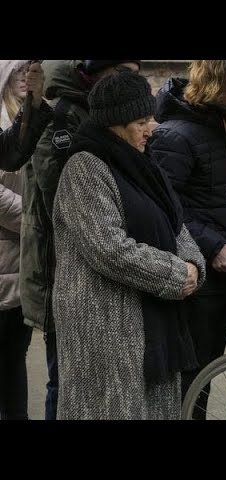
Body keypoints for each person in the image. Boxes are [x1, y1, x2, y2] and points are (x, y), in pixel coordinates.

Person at [52, 71, 206, 420]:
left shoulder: (143, 165)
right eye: (141, 121)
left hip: (151, 324)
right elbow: (109, 248)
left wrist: (193, 265)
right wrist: (174, 273)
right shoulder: (85, 168)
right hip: (106, 329)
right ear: (114, 125)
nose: (151, 129)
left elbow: (174, 224)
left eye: (151, 118)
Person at [21, 59, 141, 420]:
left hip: (95, 266)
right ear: (94, 70)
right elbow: (64, 200)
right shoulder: (61, 116)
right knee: (65, 381)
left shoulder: (97, 111)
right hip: (63, 273)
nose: (128, 83)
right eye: (122, 73)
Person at [149, 60, 226, 418]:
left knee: (210, 365)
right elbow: (167, 207)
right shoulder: (174, 135)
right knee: (192, 370)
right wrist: (212, 246)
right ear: (215, 79)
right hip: (199, 272)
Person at [0, 60, 49, 420]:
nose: (22, 77)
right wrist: (32, 220)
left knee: (14, 360)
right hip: (5, 255)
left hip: (23, 262)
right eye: (15, 69)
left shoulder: (26, 119)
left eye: (27, 69)